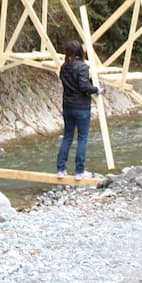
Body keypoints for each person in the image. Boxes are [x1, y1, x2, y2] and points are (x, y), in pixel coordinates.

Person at [56, 40, 99, 180]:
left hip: (68, 106)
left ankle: (61, 169)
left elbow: (72, 84)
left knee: (67, 137)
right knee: (82, 138)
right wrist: (97, 89)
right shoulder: (82, 67)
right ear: (80, 51)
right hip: (81, 107)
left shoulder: (63, 67)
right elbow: (84, 87)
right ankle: (79, 172)